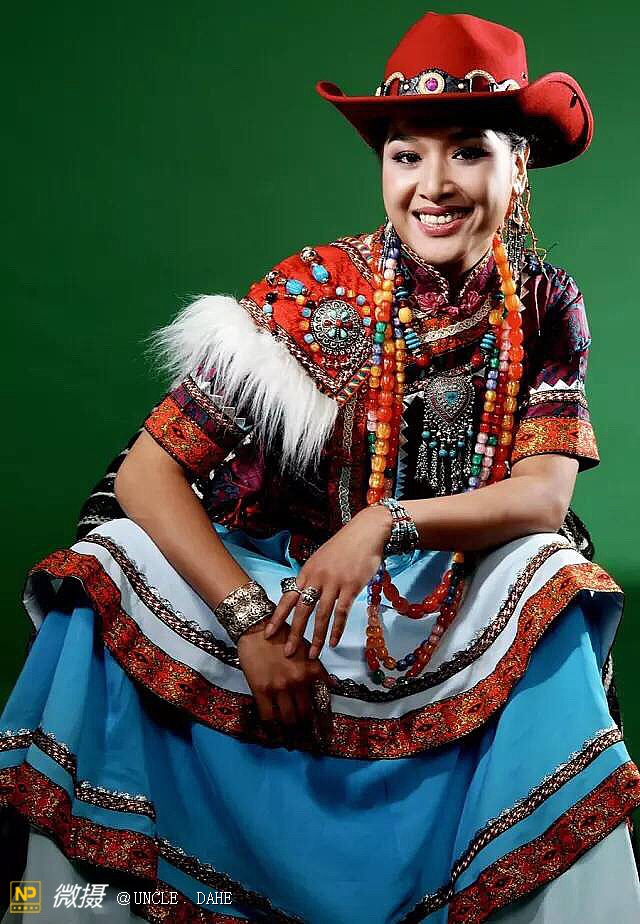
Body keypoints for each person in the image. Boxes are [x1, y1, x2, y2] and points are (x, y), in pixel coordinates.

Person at [1, 11, 640, 923]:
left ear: (519, 167)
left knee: (552, 572)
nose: (433, 185)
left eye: (467, 152)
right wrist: (250, 622)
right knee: (113, 558)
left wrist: (383, 523)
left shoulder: (542, 304)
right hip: (275, 585)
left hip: (444, 594)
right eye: (407, 155)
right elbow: (146, 475)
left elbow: (543, 497)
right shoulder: (317, 292)